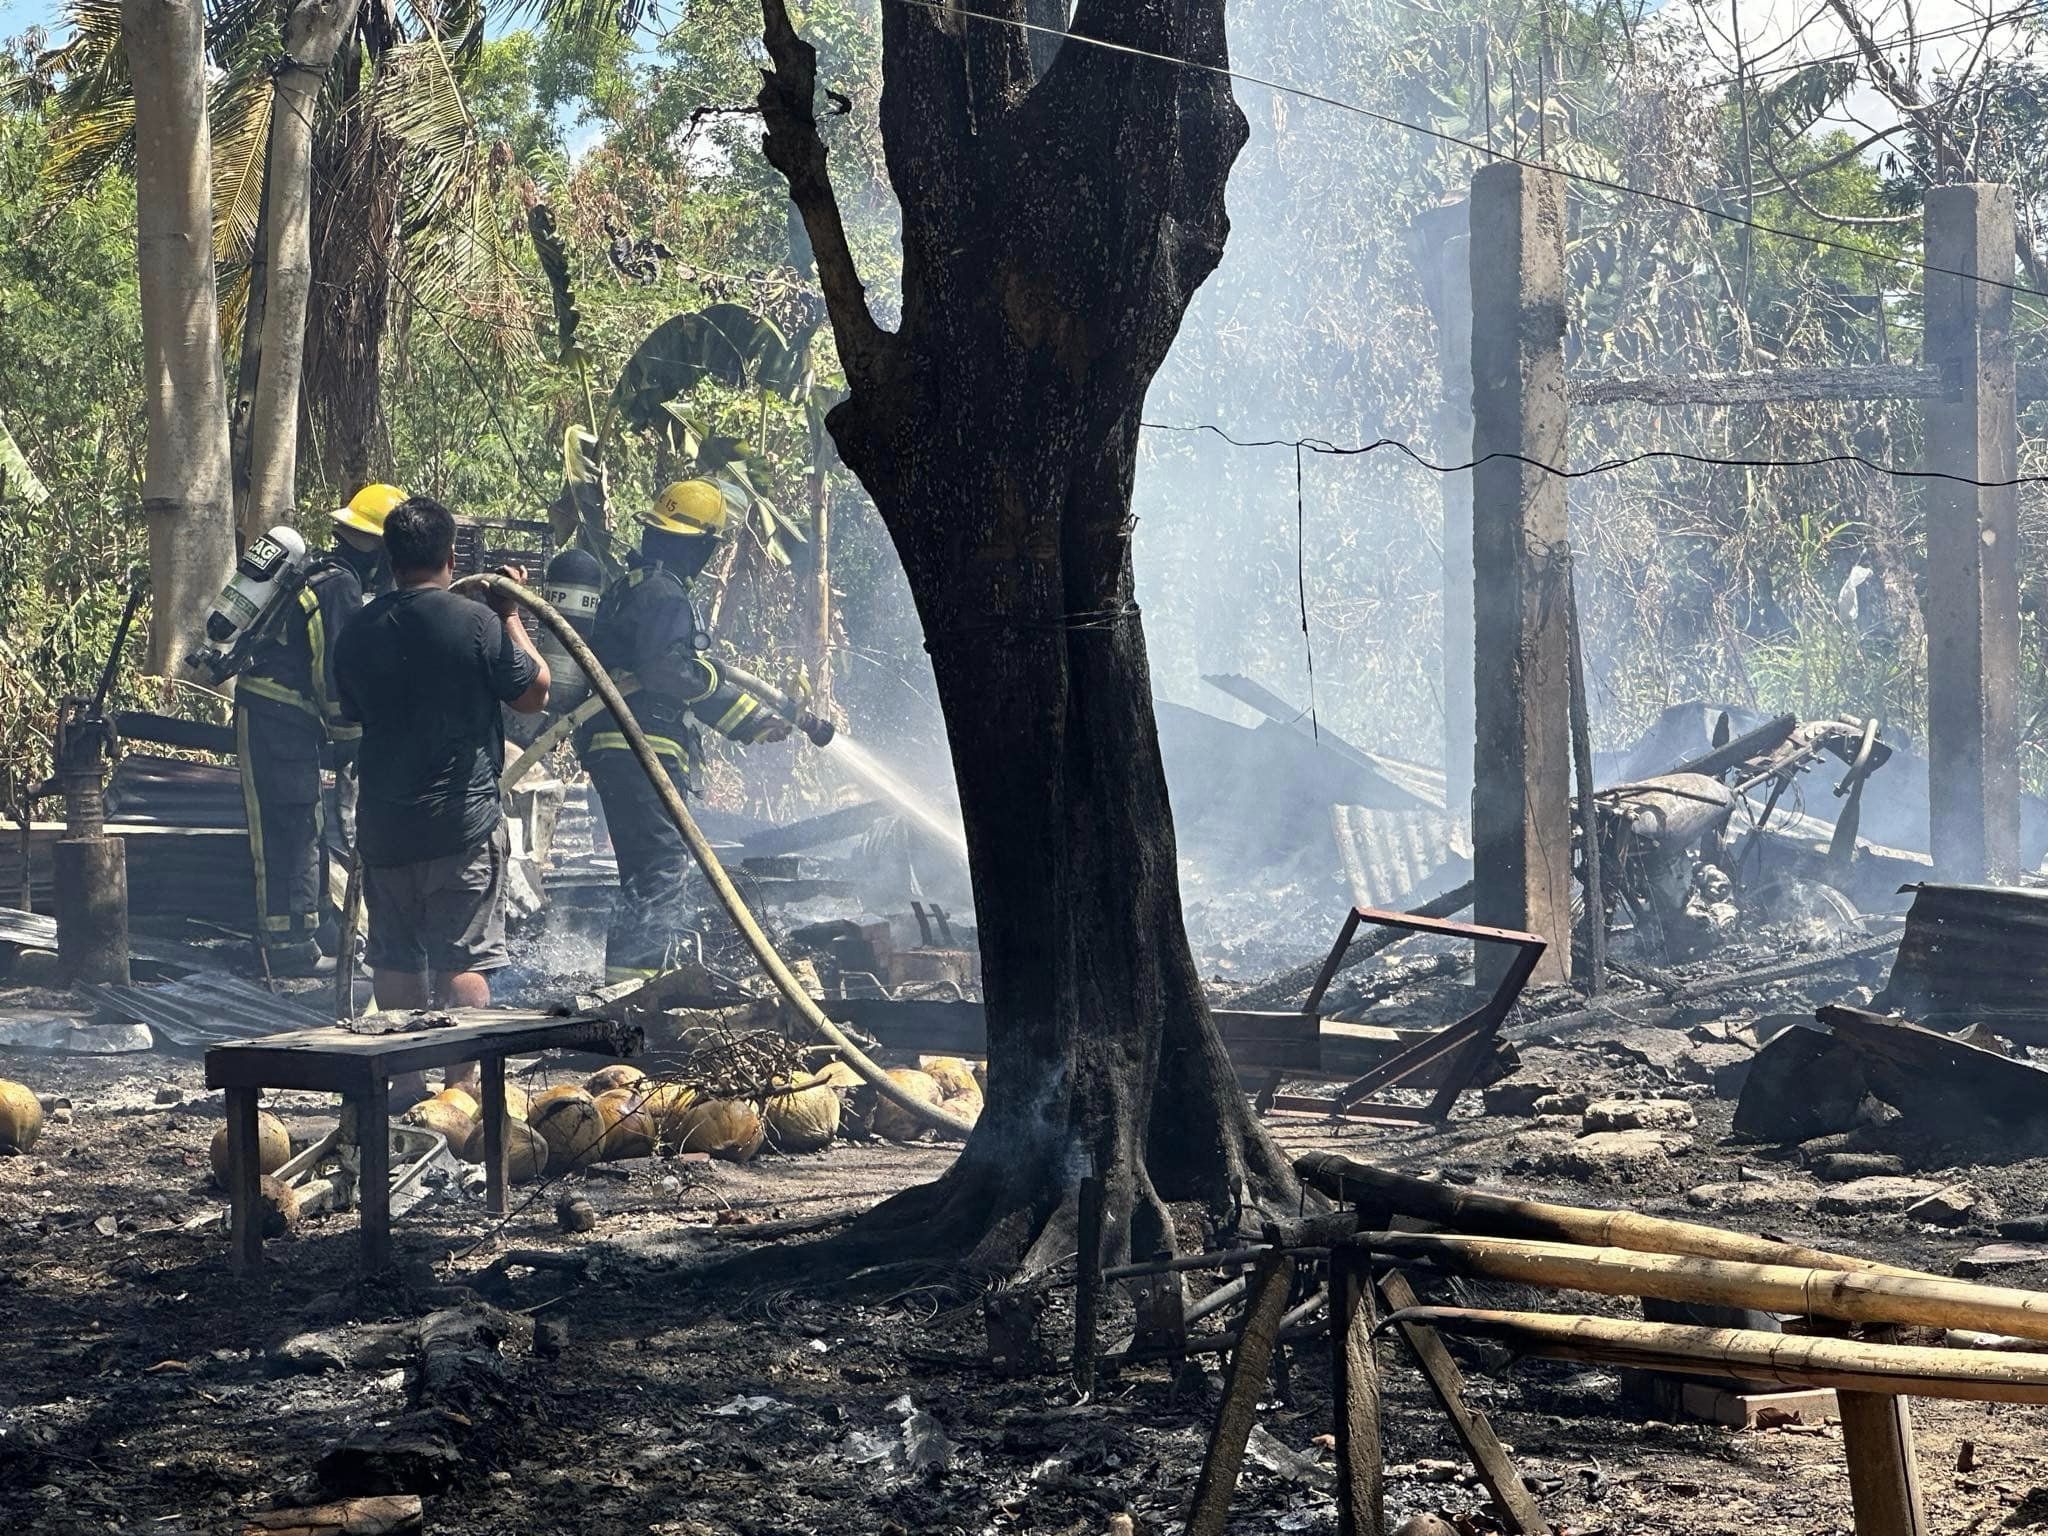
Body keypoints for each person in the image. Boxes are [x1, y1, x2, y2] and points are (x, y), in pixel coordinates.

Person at [334, 496, 549, 1093]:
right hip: (461, 827)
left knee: (396, 958)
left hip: (385, 826)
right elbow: (536, 693)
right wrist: (509, 614)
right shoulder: (476, 622)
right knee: (465, 958)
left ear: (389, 557)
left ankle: (403, 1091)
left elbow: (351, 713)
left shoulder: (357, 629)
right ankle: (462, 1095)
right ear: (452, 555)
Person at [575, 479, 791, 984]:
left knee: (645, 870)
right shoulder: (663, 593)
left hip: (619, 747)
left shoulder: (633, 588)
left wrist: (752, 722)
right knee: (661, 867)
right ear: (698, 545)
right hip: (644, 747)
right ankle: (637, 994)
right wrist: (724, 687)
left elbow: (669, 673)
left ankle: (629, 985)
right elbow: (668, 673)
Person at [234, 483, 399, 977]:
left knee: (304, 823)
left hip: (283, 719)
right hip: (275, 717)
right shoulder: (339, 587)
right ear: (381, 548)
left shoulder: (326, 574)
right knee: (285, 826)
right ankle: (284, 947)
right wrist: (354, 741)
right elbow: (333, 675)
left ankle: (310, 928)